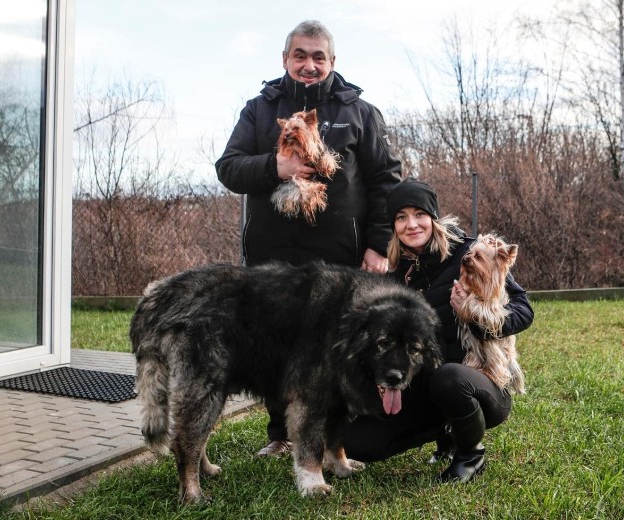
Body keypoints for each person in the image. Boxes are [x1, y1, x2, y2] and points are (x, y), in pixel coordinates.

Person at [216, 20, 402, 457]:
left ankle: (335, 436)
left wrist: (377, 245)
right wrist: (275, 168)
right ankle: (279, 434)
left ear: (333, 62)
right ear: (285, 60)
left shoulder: (360, 112)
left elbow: (386, 181)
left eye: (319, 57)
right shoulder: (259, 110)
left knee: (338, 341)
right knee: (272, 340)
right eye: (300, 55)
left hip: (339, 254)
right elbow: (228, 167)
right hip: (271, 253)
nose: (309, 65)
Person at [342, 178, 535, 482]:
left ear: (432, 218)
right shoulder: (394, 276)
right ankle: (445, 429)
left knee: (450, 377)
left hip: (478, 382)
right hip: (423, 386)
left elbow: (524, 311)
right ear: (393, 226)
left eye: (419, 214)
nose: (412, 224)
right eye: (401, 217)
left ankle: (470, 455)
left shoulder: (472, 253)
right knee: (357, 442)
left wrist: (472, 318)